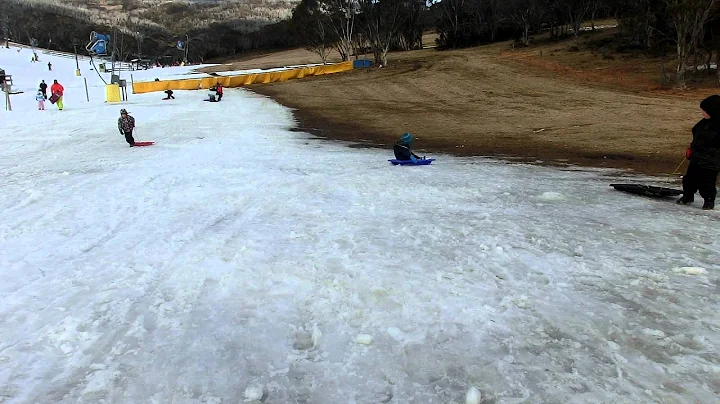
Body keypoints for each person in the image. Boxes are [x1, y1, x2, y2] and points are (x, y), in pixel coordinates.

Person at [677, 95, 720, 210]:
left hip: (711, 161)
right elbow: (697, 136)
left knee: (707, 183)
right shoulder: (704, 122)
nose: (702, 112)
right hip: (696, 157)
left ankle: (709, 201)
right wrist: (692, 150)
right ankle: (688, 196)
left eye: (704, 111)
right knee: (689, 179)